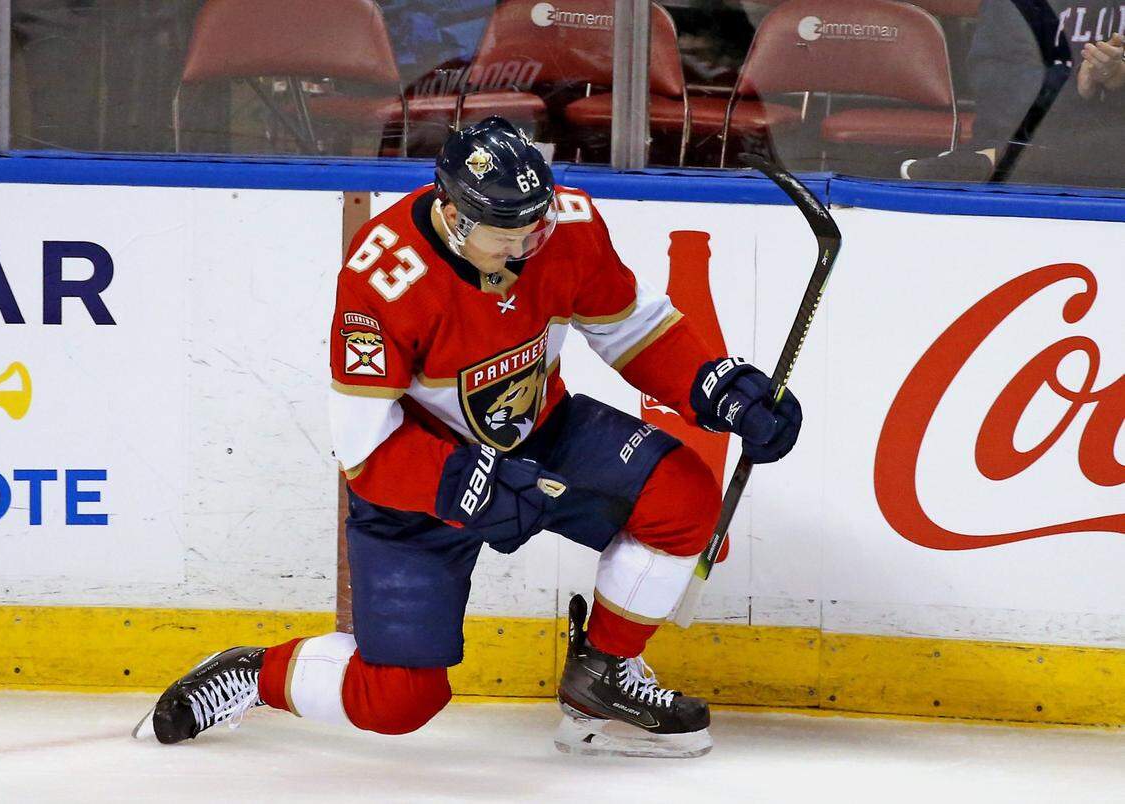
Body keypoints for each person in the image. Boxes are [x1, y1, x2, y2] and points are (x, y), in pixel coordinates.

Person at [133, 116, 802, 758]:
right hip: (423, 484)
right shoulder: (382, 278)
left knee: (682, 498)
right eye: (504, 236)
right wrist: (464, 483)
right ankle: (254, 675)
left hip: (543, 432)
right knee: (398, 700)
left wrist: (713, 386)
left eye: (531, 230)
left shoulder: (563, 225)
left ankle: (603, 679)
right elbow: (363, 449)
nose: (523, 249)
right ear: (454, 217)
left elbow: (629, 327)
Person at [902, 0, 1125, 186]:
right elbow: (1002, 96)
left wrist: (1118, 79)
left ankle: (993, 161)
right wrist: (1079, 86)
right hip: (1028, 141)